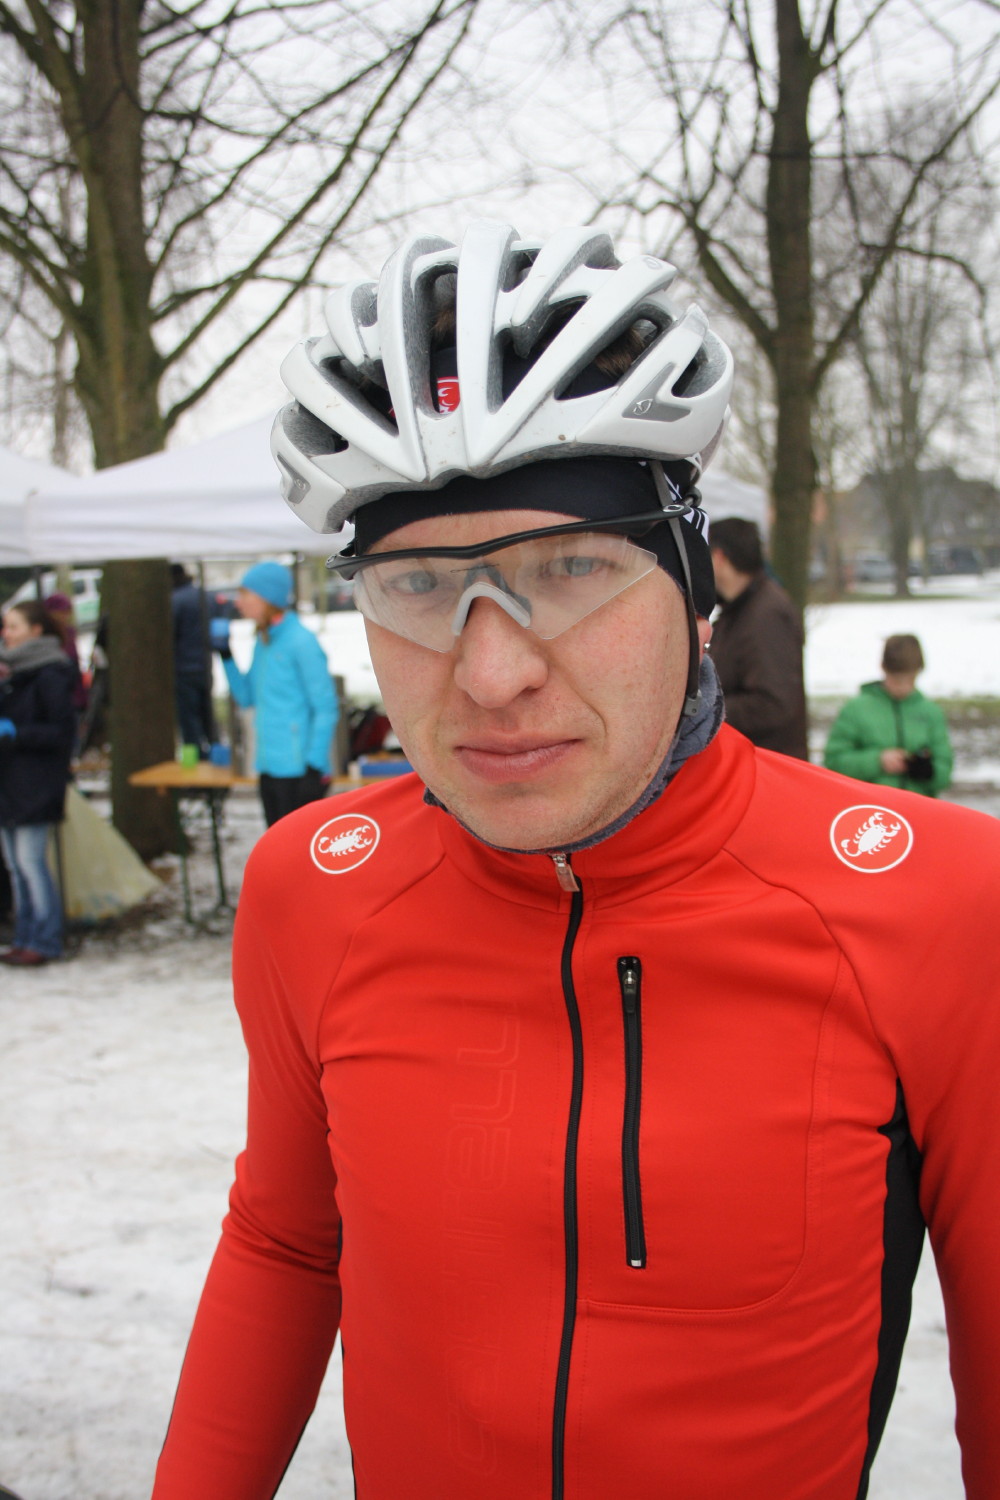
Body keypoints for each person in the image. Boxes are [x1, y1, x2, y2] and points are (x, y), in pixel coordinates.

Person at [153, 223, 1000, 1499]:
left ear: (694, 598)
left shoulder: (936, 900)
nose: (492, 673)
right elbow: (282, 1244)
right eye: (418, 585)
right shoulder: (311, 891)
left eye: (572, 567)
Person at [211, 561, 337, 826]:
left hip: (300, 771)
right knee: (275, 845)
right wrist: (226, 655)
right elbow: (247, 697)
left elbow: (325, 707)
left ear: (266, 598)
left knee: (298, 848)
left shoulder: (301, 641)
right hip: (269, 766)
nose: (238, 603)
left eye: (245, 595)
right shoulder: (264, 640)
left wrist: (314, 766)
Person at [0, 600, 77, 966]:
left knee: (31, 864)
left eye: (14, 626)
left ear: (36, 630)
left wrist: (16, 733)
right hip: (9, 785)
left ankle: (44, 939)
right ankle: (24, 936)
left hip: (36, 785)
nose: (7, 634)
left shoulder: (51, 673)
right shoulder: (12, 674)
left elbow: (61, 733)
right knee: (16, 867)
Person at [708, 515, 809, 758]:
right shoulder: (737, 609)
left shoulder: (767, 613)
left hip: (769, 763)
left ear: (719, 558)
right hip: (748, 759)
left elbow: (774, 704)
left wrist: (703, 710)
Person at [823, 633, 953, 796]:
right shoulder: (856, 709)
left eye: (909, 679)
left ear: (919, 671)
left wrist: (927, 771)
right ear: (883, 668)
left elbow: (945, 773)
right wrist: (877, 761)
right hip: (870, 807)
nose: (902, 687)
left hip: (916, 808)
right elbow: (833, 762)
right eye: (896, 680)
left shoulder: (931, 712)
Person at [169, 563, 215, 756]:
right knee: (208, 716)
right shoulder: (204, 596)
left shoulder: (175, 600)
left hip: (184, 668)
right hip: (205, 665)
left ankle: (195, 761)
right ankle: (216, 755)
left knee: (189, 720)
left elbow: (171, 635)